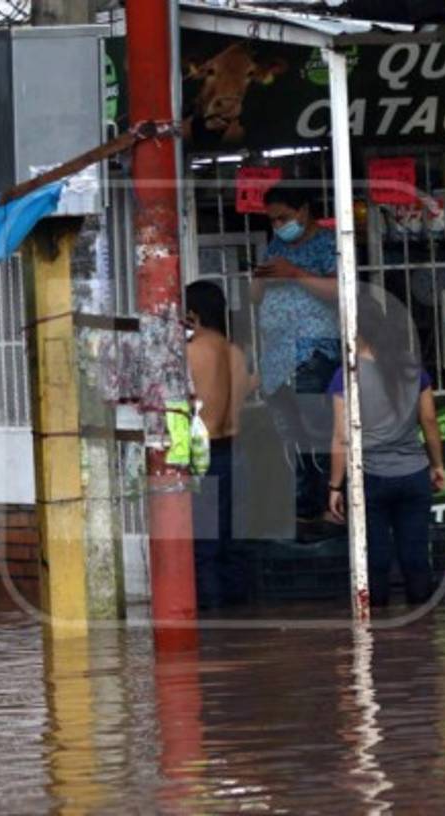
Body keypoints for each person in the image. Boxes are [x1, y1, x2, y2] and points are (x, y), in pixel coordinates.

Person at [327, 297, 445, 607]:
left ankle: (376, 640)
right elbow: (429, 421)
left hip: (370, 477)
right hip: (414, 474)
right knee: (416, 555)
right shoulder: (411, 368)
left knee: (375, 558)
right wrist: (437, 465)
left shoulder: (347, 375)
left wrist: (334, 485)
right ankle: (424, 634)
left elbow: (341, 437)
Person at [252, 181, 340, 531]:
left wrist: (296, 274)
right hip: (277, 361)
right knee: (293, 440)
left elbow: (340, 291)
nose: (278, 225)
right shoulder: (275, 246)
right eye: (272, 220)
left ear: (304, 210)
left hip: (312, 354)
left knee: (319, 435)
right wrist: (259, 279)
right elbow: (257, 298)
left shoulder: (328, 244)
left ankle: (330, 505)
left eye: (283, 217)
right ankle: (304, 509)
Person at [186, 281, 254, 609]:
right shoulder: (235, 351)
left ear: (191, 314)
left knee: (205, 545)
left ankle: (214, 623)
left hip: (205, 453)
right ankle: (240, 614)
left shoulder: (192, 351)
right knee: (234, 541)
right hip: (236, 451)